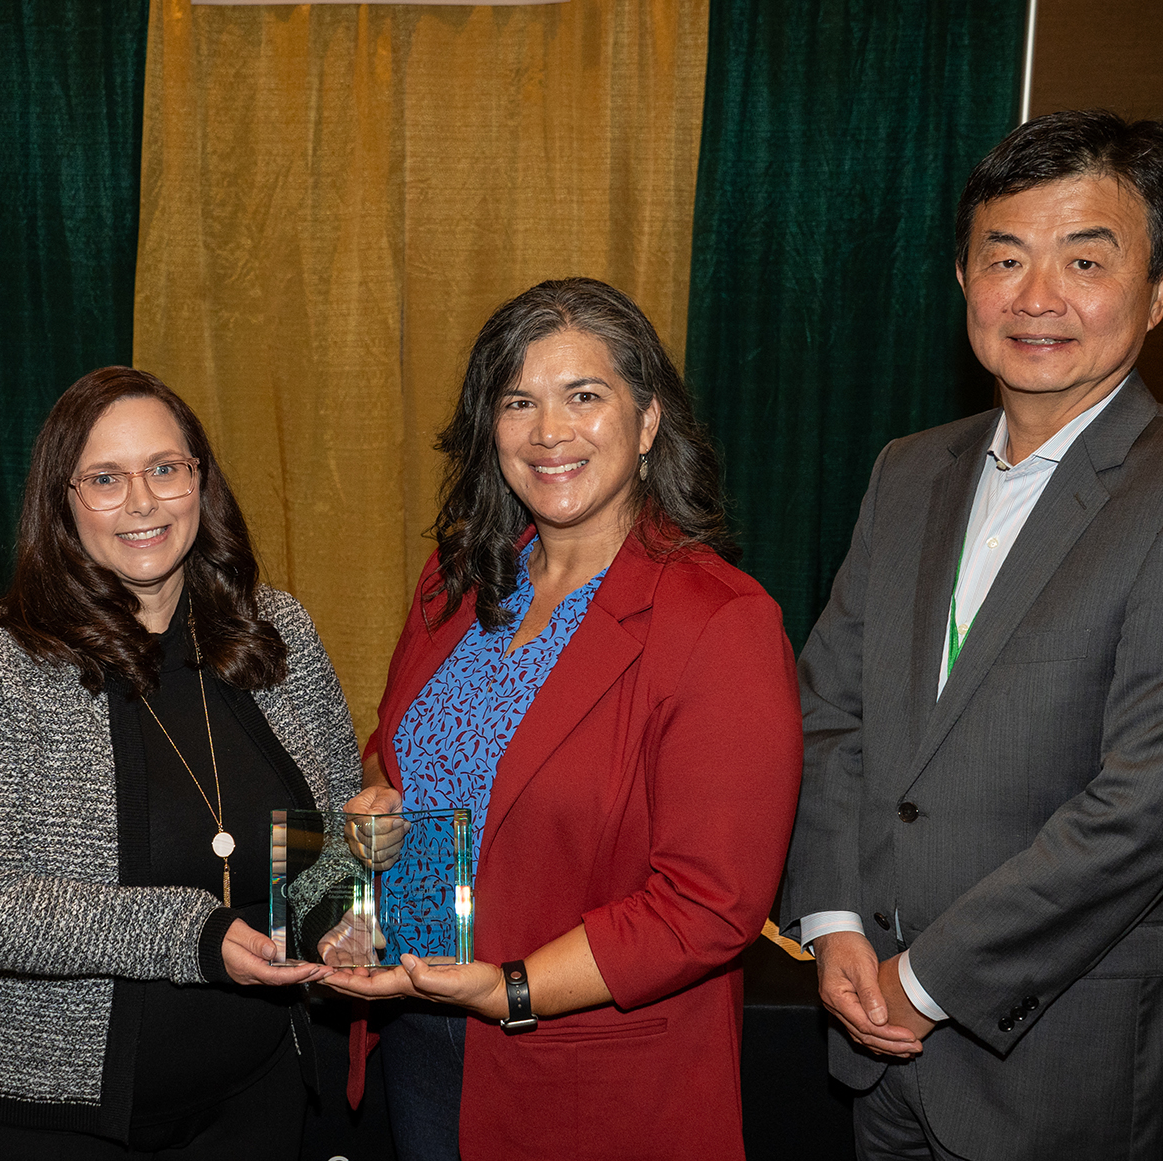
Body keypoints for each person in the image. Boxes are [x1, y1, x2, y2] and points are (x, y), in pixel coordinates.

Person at [778, 110, 1163, 1158]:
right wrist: (829, 920)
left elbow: (1146, 806)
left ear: (1160, 290)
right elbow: (829, 710)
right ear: (962, 279)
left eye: (1084, 259)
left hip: (1059, 1061)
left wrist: (926, 982)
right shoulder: (907, 469)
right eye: (1003, 257)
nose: (1036, 296)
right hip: (869, 1038)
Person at [323, 277, 804, 1160]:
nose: (549, 432)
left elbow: (710, 905)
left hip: (589, 1084)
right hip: (420, 1044)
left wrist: (508, 988)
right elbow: (402, 765)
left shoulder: (718, 621)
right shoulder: (456, 582)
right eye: (519, 402)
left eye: (585, 396)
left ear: (648, 421)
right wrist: (377, 821)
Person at [0, 367, 361, 1160]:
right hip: (43, 1116)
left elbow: (327, 833)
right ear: (62, 501)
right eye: (106, 478)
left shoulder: (275, 632)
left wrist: (344, 903)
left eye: (165, 469)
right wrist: (195, 935)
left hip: (255, 1097)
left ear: (199, 483)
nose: (143, 501)